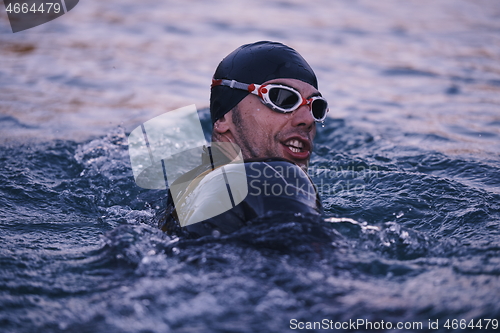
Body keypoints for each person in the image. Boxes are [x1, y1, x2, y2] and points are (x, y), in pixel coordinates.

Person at [159, 41, 329, 237]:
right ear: (223, 116)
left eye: (315, 107)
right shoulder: (278, 179)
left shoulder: (182, 189)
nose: (307, 119)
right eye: (282, 98)